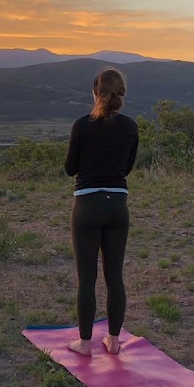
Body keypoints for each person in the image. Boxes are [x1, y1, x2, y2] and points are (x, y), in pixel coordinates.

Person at [64, 67, 139, 355]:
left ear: (96, 92)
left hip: (87, 205)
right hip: (118, 206)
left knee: (87, 277)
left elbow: (71, 169)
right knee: (114, 275)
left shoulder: (82, 125)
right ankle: (114, 340)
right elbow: (126, 169)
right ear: (121, 95)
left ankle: (84, 343)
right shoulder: (131, 126)